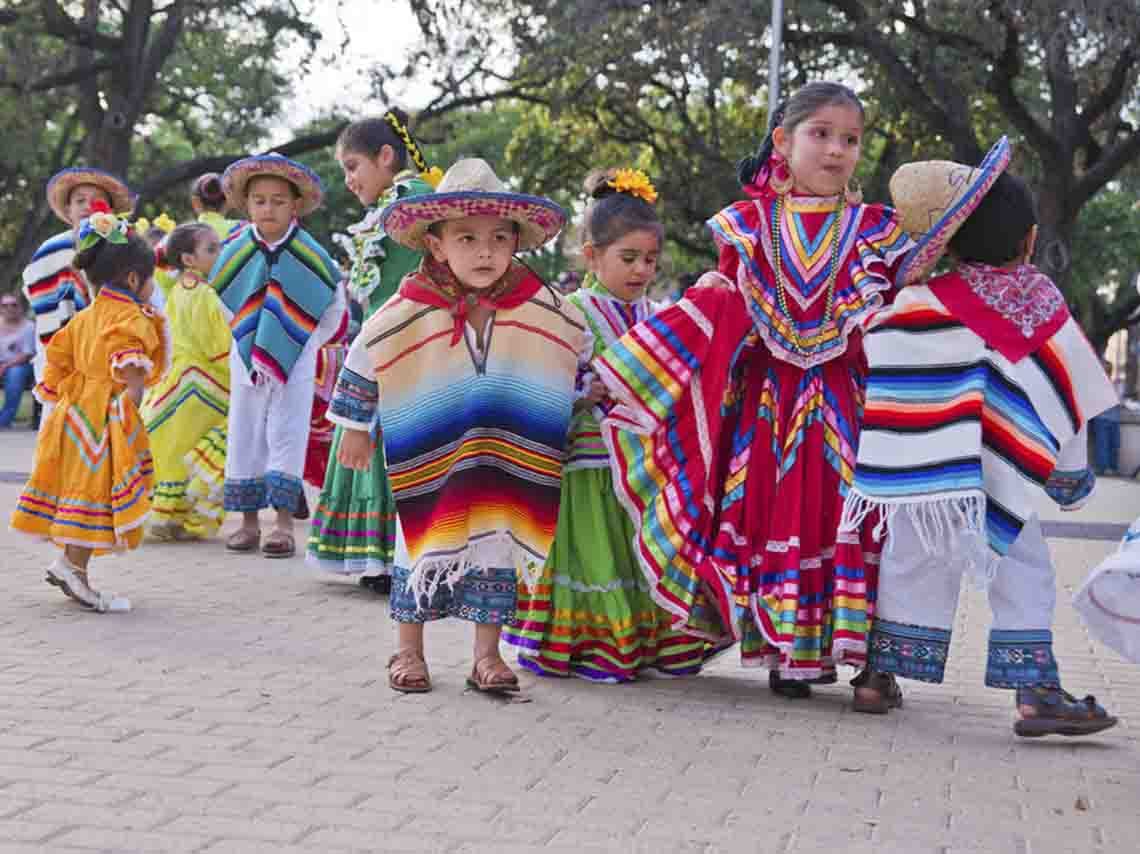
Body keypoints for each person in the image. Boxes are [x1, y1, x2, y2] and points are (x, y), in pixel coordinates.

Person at [594, 82, 914, 706]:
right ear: (783, 142)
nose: (836, 150)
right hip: (767, 413)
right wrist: (645, 362)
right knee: (773, 516)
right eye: (820, 134)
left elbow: (894, 320)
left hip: (850, 408)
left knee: (861, 521)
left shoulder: (879, 232)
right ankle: (789, 655)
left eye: (850, 139)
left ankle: (874, 662)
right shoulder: (746, 229)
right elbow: (721, 313)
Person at [840, 139, 1119, 736]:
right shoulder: (1042, 302)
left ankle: (877, 675)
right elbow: (1062, 386)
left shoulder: (919, 300)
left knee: (907, 561)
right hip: (1005, 473)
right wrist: (1070, 478)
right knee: (1025, 571)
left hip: (927, 469)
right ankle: (1035, 689)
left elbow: (880, 350)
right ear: (1029, 240)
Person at [343, 157, 585, 694]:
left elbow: (579, 340)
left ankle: (486, 656)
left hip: (503, 457)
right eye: (467, 238)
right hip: (433, 454)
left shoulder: (541, 304)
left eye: (500, 238)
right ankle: (408, 651)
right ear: (436, 244)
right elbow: (366, 352)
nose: (485, 251)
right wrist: (355, 426)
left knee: (496, 547)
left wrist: (588, 385)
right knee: (421, 543)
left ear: (517, 243)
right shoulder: (410, 305)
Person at [504, 168, 713, 682]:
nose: (641, 270)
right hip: (589, 467)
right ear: (591, 254)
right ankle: (597, 645)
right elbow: (534, 382)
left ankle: (647, 642)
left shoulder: (657, 313)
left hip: (646, 472)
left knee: (642, 559)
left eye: (649, 259)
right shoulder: (569, 313)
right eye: (629, 258)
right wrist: (579, 394)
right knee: (596, 558)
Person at [10, 203, 168, 612]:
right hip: (102, 418)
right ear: (134, 278)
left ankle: (73, 567)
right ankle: (71, 567)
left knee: (81, 491)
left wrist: (59, 395)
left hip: (72, 414)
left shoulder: (83, 317)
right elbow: (131, 369)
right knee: (96, 492)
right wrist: (127, 417)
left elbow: (56, 360)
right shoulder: (129, 316)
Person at [307, 110, 438, 593]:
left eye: (353, 165)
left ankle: (389, 556)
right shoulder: (405, 199)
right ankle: (382, 556)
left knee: (387, 437)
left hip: (404, 336)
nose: (349, 179)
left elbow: (390, 287)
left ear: (386, 156)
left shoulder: (410, 200)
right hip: (396, 335)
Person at [212, 154, 346, 559]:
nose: (268, 208)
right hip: (246, 358)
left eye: (277, 201)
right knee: (245, 432)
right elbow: (223, 300)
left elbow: (333, 308)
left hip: (297, 361)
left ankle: (284, 524)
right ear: (247, 204)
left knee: (288, 433)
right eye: (259, 200)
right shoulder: (235, 249)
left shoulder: (310, 253)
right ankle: (248, 522)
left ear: (295, 206)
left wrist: (298, 341)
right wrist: (249, 338)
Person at [140, 223, 231, 541]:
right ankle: (186, 506)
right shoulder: (204, 294)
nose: (219, 254)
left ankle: (170, 513)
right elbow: (217, 345)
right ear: (189, 259)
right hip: (204, 382)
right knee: (226, 436)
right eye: (211, 249)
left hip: (176, 380)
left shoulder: (178, 289)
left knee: (173, 445)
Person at [22, 168, 134, 387]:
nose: (87, 206)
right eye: (79, 201)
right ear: (68, 209)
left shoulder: (122, 243)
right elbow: (38, 294)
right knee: (60, 412)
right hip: (59, 340)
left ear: (109, 210)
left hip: (111, 341)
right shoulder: (52, 249)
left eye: (96, 201)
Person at [0, 293, 36, 428]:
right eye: (5, 305)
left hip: (20, 364)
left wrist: (5, 366)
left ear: (20, 308)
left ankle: (3, 421)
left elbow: (27, 355)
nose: (9, 308)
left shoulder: (28, 327)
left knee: (16, 374)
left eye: (13, 305)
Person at [1089, 360, 1122, 476]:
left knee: (1114, 443)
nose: (1107, 371)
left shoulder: (1115, 384)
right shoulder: (1096, 384)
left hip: (1113, 418)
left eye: (1108, 369)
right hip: (1101, 418)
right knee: (1103, 444)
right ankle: (1104, 468)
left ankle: (1112, 467)